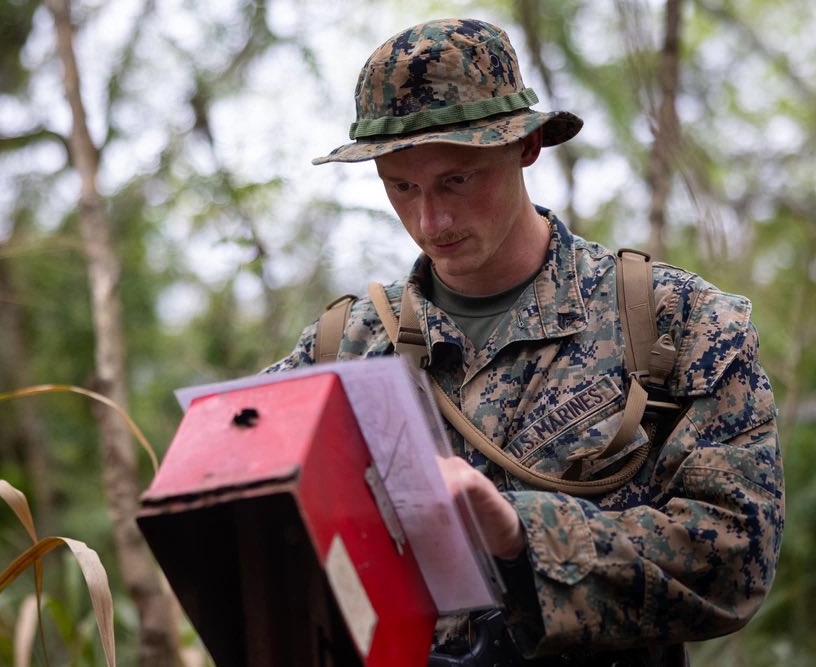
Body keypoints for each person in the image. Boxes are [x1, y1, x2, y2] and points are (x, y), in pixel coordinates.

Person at [263, 17, 785, 666]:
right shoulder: (340, 350)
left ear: (527, 146)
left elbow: (735, 554)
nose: (431, 220)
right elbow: (252, 538)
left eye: (456, 179)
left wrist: (522, 536)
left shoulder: (678, 323)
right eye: (402, 187)